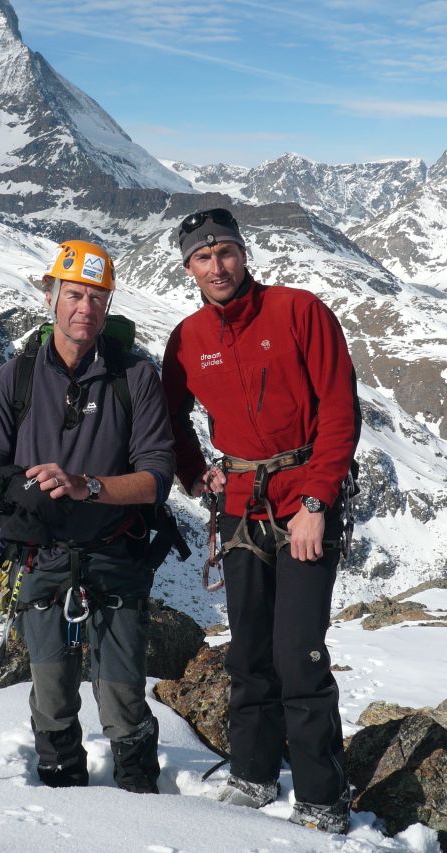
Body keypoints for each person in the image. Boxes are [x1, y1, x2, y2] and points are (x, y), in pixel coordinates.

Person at [161, 208, 359, 834]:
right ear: (188, 267)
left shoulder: (299, 311)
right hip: (241, 504)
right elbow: (169, 421)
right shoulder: (188, 339)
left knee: (298, 653)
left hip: (305, 500)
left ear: (244, 255)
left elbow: (338, 412)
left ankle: (322, 796)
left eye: (225, 252)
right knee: (248, 652)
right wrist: (195, 476)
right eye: (202, 256)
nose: (216, 266)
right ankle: (251, 773)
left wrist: (317, 504)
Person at [0, 240, 175, 794]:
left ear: (108, 306)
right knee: (52, 691)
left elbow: (157, 477)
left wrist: (88, 487)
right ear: (52, 299)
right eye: (75, 295)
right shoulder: (17, 378)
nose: (86, 308)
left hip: (114, 550)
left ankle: (142, 801)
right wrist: (14, 489)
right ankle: (63, 803)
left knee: (123, 695)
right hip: (40, 556)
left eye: (97, 298)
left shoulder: (135, 377)